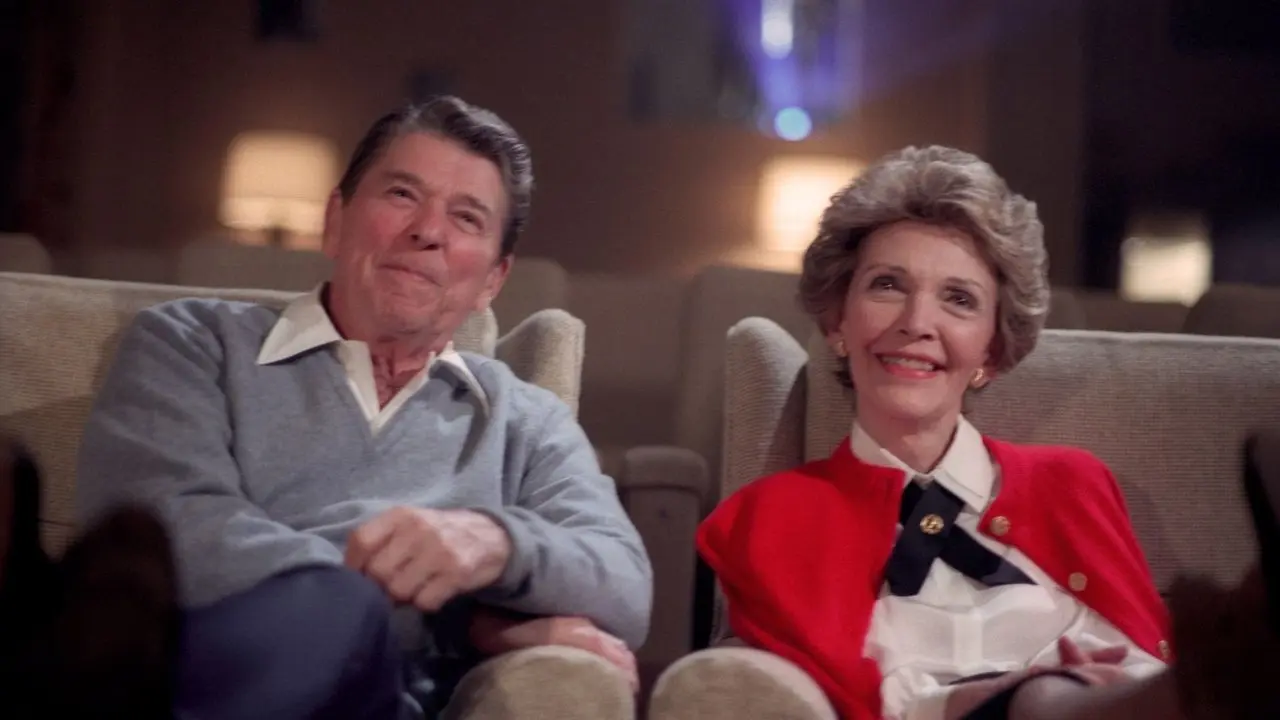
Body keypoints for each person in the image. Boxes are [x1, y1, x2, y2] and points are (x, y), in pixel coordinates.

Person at [74, 96, 652, 718]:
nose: (428, 231)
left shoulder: (525, 421)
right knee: (333, 609)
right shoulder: (192, 344)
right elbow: (172, 535)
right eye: (402, 194)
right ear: (336, 219)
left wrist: (493, 544)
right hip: (207, 669)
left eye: (466, 218)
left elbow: (624, 584)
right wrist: (458, 622)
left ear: (493, 279)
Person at [690, 146, 1278, 719]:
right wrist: (1015, 693)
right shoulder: (765, 517)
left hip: (1140, 703)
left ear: (991, 352)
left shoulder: (1073, 481)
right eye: (888, 285)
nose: (917, 323)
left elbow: (1148, 652)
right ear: (838, 322)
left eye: (958, 299)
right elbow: (851, 698)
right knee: (1045, 700)